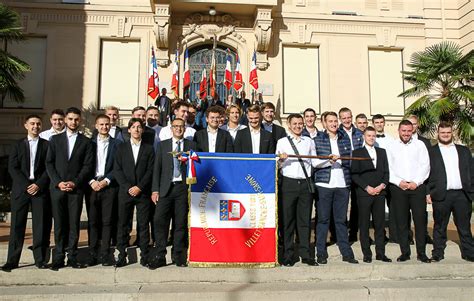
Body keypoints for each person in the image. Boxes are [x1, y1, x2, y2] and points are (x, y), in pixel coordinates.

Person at [46, 107, 94, 270]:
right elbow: (49, 163)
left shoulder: (86, 142)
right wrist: (58, 182)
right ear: (65, 120)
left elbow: (87, 166)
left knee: (74, 223)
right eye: (71, 119)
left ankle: (72, 256)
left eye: (76, 119)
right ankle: (59, 256)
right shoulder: (55, 140)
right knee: (59, 223)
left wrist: (75, 182)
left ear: (80, 121)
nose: (73, 122)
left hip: (76, 189)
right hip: (58, 188)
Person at [2, 115, 50, 272]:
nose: (35, 126)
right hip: (21, 191)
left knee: (40, 226)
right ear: (26, 126)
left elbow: (48, 168)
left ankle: (40, 260)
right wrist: (26, 186)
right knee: (17, 226)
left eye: (38, 124)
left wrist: (38, 184)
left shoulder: (47, 145)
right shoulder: (17, 145)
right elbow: (13, 167)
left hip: (39, 190)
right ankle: (12, 260)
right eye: (32, 124)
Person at [149, 118, 197, 269]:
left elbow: (196, 167)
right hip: (165, 189)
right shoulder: (162, 145)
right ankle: (160, 255)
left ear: (185, 128)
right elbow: (157, 169)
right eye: (175, 126)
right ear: (171, 128)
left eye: (181, 126)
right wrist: (155, 189)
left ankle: (178, 255)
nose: (178, 129)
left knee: (180, 223)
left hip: (182, 189)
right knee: (159, 221)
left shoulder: (191, 145)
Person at [314, 112, 358, 264]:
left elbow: (350, 161)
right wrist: (328, 161)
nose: (333, 123)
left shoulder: (345, 138)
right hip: (324, 185)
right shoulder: (318, 139)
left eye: (335, 121)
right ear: (324, 123)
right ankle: (321, 252)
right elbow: (314, 163)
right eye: (330, 121)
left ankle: (346, 252)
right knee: (323, 220)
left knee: (341, 220)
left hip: (342, 185)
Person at [427, 122, 474, 262]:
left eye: (448, 132)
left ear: (452, 133)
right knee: (439, 226)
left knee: (464, 226)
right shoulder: (431, 152)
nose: (446, 135)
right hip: (441, 194)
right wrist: (427, 192)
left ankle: (469, 252)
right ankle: (438, 252)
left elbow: (471, 171)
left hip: (462, 194)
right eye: (443, 133)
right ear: (438, 134)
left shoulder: (463, 150)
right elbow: (426, 173)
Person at [277, 114, 318, 266]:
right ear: (289, 125)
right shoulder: (282, 142)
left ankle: (305, 254)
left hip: (305, 184)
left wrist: (330, 159)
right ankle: (288, 255)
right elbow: (278, 165)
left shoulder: (309, 141)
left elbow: (315, 161)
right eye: (295, 124)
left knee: (304, 221)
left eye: (300, 123)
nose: (298, 126)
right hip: (288, 184)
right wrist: (281, 159)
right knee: (288, 221)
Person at [387, 120, 431, 263]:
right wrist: (398, 182)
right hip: (398, 188)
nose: (406, 133)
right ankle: (405, 252)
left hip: (417, 188)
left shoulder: (420, 145)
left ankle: (421, 253)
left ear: (412, 130)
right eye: (403, 131)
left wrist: (416, 182)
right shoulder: (391, 146)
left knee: (420, 221)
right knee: (402, 221)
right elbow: (388, 167)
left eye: (408, 131)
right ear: (399, 131)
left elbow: (425, 166)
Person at [114, 118, 155, 268]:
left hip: (142, 193)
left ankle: (145, 255)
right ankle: (122, 255)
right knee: (124, 224)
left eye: (139, 127)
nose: (136, 129)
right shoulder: (121, 148)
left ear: (143, 130)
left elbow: (151, 170)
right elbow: (117, 169)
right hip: (125, 193)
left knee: (143, 225)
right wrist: (127, 187)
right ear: (129, 130)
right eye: (133, 127)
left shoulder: (149, 148)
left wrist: (140, 187)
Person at [351, 126, 391, 263]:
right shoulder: (357, 152)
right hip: (365, 194)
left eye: (373, 136)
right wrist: (366, 187)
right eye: (369, 136)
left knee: (379, 224)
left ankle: (380, 253)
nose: (371, 138)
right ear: (364, 136)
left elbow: (386, 172)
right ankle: (367, 254)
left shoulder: (382, 152)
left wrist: (382, 186)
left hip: (380, 193)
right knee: (364, 224)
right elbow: (354, 174)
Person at [85, 115, 121, 267]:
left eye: (107, 124)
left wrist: (106, 181)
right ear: (96, 126)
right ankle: (92, 253)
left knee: (107, 221)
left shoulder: (117, 144)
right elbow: (84, 165)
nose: (104, 127)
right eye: (101, 124)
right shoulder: (88, 143)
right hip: (92, 186)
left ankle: (105, 254)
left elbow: (118, 166)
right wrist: (92, 181)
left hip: (109, 186)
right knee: (93, 221)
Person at [407, 114, 434, 244]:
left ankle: (424, 235)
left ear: (417, 125)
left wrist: (428, 190)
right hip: (405, 184)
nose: (412, 126)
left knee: (421, 213)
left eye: (414, 124)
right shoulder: (399, 141)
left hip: (421, 183)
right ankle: (407, 236)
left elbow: (429, 165)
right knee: (406, 213)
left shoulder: (426, 142)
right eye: (409, 123)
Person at [338, 107, 364, 242]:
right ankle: (341, 234)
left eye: (349, 117)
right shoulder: (338, 134)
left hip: (358, 173)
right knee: (343, 205)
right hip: (344, 172)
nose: (347, 120)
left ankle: (354, 233)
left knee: (357, 205)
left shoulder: (359, 133)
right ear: (340, 119)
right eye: (344, 118)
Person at [372, 113, 397, 243]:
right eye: (377, 122)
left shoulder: (391, 139)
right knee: (379, 211)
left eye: (381, 122)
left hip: (390, 177)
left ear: (384, 123)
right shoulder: (370, 139)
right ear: (373, 124)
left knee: (393, 208)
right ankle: (380, 236)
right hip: (376, 179)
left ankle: (394, 235)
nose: (379, 124)